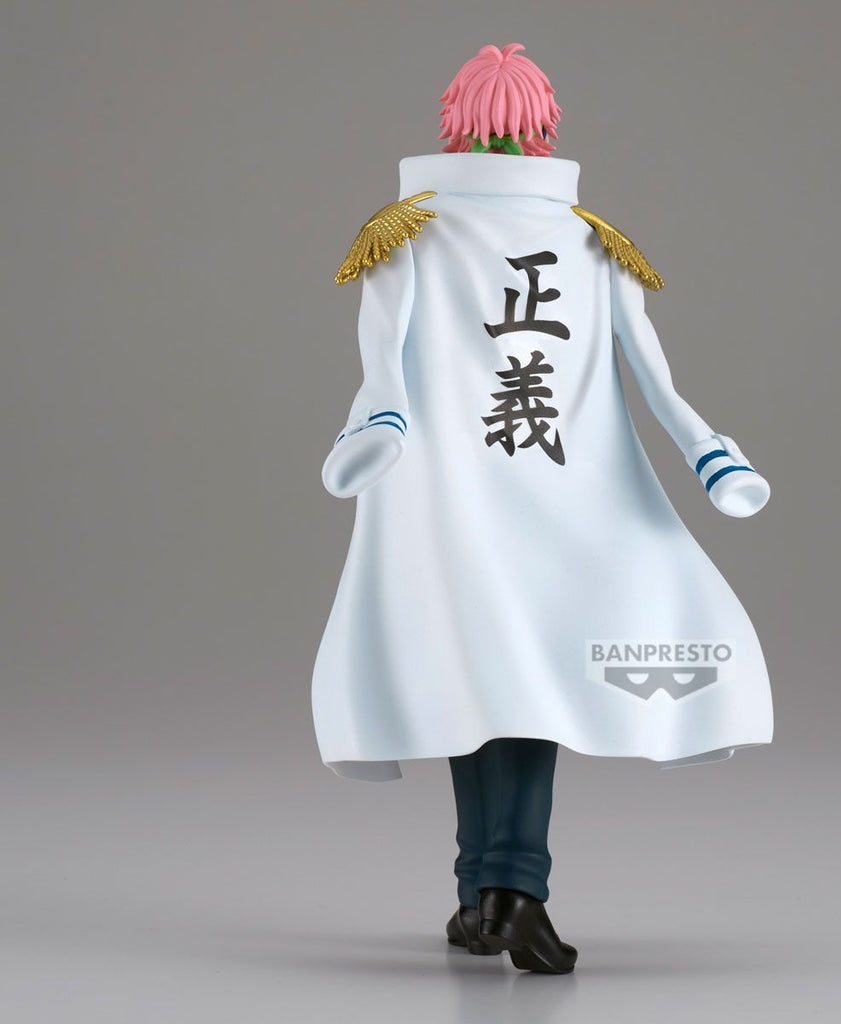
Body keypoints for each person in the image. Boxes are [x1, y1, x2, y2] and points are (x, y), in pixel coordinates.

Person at [312, 43, 773, 974]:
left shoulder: (406, 230)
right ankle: (498, 894)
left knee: (481, 676)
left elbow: (382, 359)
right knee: (510, 683)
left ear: (453, 122)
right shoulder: (591, 238)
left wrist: (380, 427)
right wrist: (709, 454)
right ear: (545, 126)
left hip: (445, 501)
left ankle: (497, 892)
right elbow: (656, 376)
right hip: (567, 501)